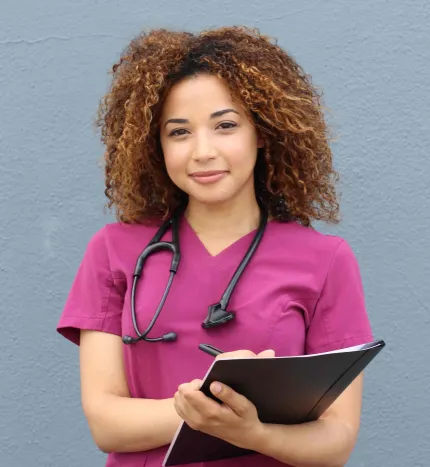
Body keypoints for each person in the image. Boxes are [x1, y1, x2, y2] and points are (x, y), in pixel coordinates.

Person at [56, 26, 375, 467]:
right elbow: (105, 423)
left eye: (225, 125)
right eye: (179, 132)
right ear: (157, 144)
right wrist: (212, 409)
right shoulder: (113, 250)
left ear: (261, 133)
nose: (202, 151)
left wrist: (254, 431)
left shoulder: (325, 260)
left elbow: (336, 440)